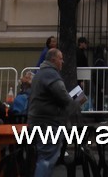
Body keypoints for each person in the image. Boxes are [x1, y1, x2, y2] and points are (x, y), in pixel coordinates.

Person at [28, 48, 85, 177]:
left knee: (45, 156)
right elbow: (64, 98)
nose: (62, 62)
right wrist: (78, 101)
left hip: (37, 121)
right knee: (46, 159)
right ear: (53, 60)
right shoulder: (51, 75)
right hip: (47, 123)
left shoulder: (40, 73)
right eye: (60, 58)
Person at [92, 45, 108, 112]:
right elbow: (100, 73)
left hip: (98, 82)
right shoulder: (100, 60)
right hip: (99, 83)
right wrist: (101, 84)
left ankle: (99, 114)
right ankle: (99, 115)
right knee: (99, 99)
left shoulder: (97, 59)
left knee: (99, 99)